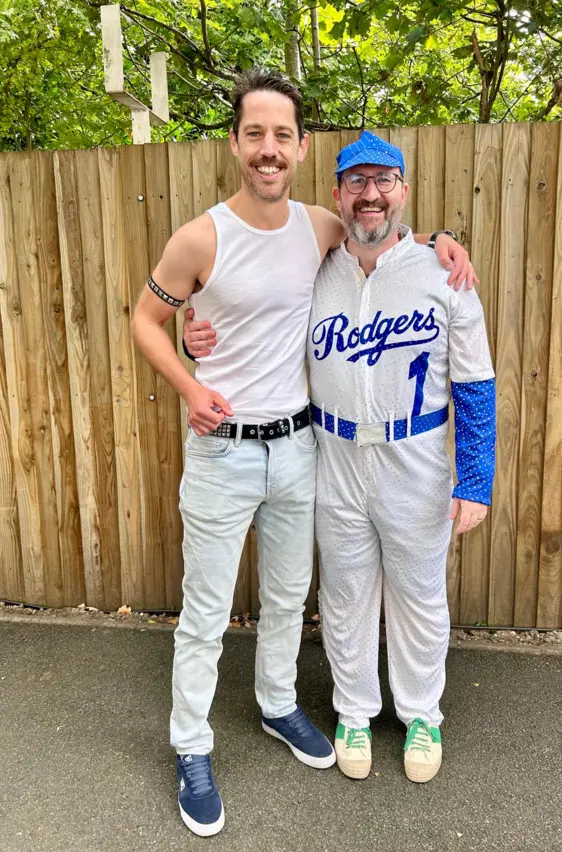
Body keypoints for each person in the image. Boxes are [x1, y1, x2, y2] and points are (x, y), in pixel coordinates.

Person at [132, 68, 474, 837]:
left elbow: (389, 238)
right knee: (207, 612)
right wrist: (189, 384)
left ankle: (278, 702)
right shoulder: (200, 235)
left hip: (298, 448)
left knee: (289, 597)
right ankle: (191, 744)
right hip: (222, 452)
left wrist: (447, 243)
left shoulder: (320, 225)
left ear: (300, 146)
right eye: (254, 133)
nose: (268, 149)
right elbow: (146, 320)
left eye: (282, 135)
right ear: (234, 142)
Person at [185, 132, 495, 786]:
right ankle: (354, 709)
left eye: (384, 180)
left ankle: (420, 713)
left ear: (403, 190)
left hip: (414, 454)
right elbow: (251, 320)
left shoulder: (445, 272)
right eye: (357, 182)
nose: (371, 193)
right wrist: (195, 331)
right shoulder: (317, 267)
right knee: (347, 592)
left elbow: (475, 382)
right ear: (337, 194)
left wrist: (475, 476)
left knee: (419, 594)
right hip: (335, 454)